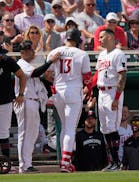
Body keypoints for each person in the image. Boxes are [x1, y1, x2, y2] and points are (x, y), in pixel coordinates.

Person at [46, 28, 92, 173]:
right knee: (70, 129)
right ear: (78, 40)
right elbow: (87, 78)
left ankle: (64, 161)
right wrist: (88, 91)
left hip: (59, 91)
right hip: (74, 90)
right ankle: (66, 163)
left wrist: (55, 83)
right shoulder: (82, 53)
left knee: (64, 128)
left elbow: (47, 74)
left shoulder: (55, 51)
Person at [14, 40, 60, 173]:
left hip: (33, 101)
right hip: (25, 101)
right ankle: (23, 165)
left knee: (32, 134)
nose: (32, 52)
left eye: (32, 49)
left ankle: (27, 164)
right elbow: (35, 73)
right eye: (29, 50)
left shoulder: (29, 64)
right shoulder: (21, 64)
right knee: (25, 134)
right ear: (22, 52)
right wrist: (50, 61)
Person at [91, 28, 127, 171]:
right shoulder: (101, 55)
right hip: (102, 92)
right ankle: (112, 162)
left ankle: (117, 163)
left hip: (113, 91)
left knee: (112, 127)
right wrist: (88, 87)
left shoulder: (118, 54)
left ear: (110, 37)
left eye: (102, 36)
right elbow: (97, 75)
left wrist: (117, 98)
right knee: (105, 128)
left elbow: (122, 77)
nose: (99, 39)